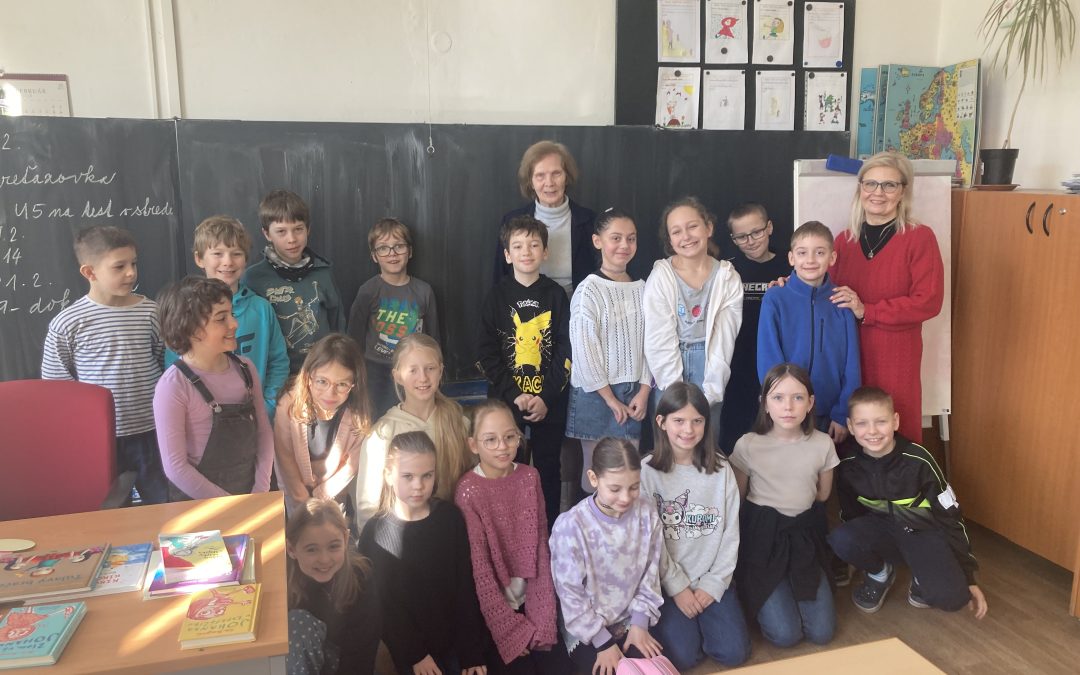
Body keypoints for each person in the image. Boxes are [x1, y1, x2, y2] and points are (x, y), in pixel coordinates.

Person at [828, 386, 988, 619]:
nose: (872, 431)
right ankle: (880, 573)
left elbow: (951, 517)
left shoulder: (919, 460)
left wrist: (968, 574)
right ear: (851, 427)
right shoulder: (848, 465)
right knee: (841, 538)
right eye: (862, 423)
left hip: (922, 532)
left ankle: (922, 574)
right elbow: (851, 516)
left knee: (954, 598)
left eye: (881, 422)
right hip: (882, 531)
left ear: (895, 421)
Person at [41, 225, 168, 504]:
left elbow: (165, 364)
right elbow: (58, 385)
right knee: (107, 507)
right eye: (119, 266)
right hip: (100, 437)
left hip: (151, 430)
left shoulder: (150, 312)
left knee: (161, 503)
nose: (131, 273)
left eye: (134, 263)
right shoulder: (69, 323)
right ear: (90, 272)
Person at [829, 151, 944, 443]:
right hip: (850, 356)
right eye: (871, 184)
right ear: (860, 188)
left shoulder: (919, 237)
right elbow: (823, 290)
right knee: (850, 434)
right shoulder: (844, 241)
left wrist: (868, 311)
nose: (878, 193)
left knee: (893, 432)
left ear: (903, 191)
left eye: (889, 185)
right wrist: (789, 285)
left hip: (895, 357)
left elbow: (928, 300)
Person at [357, 431, 488, 675]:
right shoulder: (374, 534)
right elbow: (383, 604)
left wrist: (471, 651)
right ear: (388, 475)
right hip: (411, 651)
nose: (418, 486)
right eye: (408, 476)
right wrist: (415, 654)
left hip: (455, 643)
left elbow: (465, 586)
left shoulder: (450, 518)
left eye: (427, 475)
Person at [455, 399, 570, 674]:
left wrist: (542, 617)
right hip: (496, 613)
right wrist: (510, 629)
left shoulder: (530, 477)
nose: (502, 447)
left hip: (534, 601)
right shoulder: (468, 491)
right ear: (473, 445)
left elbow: (541, 551)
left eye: (509, 437)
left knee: (560, 669)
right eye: (490, 440)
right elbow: (480, 572)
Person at [641, 382, 749, 670]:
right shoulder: (646, 473)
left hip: (712, 579)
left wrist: (713, 585)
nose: (688, 430)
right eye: (679, 421)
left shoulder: (721, 469)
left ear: (706, 423)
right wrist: (677, 588)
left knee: (734, 652)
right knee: (683, 657)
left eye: (697, 421)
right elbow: (650, 541)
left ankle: (709, 622)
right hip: (669, 584)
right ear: (661, 422)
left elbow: (730, 534)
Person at [730, 363, 837, 648]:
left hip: (803, 538)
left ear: (810, 403)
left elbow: (822, 495)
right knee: (785, 635)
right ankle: (768, 592)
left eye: (797, 397)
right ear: (765, 404)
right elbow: (738, 499)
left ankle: (792, 586)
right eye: (778, 398)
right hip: (763, 539)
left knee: (822, 633)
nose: (788, 407)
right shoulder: (748, 444)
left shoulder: (823, 444)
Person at [477, 215, 572, 529]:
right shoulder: (496, 297)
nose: (526, 252)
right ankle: (510, 531)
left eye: (533, 245)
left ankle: (549, 534)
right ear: (507, 255)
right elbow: (487, 354)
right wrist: (514, 394)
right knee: (507, 468)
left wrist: (545, 397)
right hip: (506, 406)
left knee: (548, 470)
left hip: (550, 404)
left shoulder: (557, 296)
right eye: (517, 246)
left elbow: (566, 350)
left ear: (545, 252)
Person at [549, 438, 664, 675]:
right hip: (587, 630)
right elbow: (570, 594)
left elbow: (651, 574)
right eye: (615, 489)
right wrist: (602, 642)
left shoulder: (647, 513)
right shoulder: (570, 527)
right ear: (593, 479)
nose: (625, 498)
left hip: (631, 619)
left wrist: (640, 623)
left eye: (634, 487)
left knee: (651, 669)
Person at [153, 276, 274, 500]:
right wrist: (228, 505)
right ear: (191, 329)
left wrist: (260, 490)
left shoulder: (246, 368)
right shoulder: (173, 386)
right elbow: (175, 467)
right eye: (221, 318)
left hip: (251, 494)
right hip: (199, 503)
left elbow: (264, 433)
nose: (234, 324)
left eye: (231, 314)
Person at [165, 215, 289, 418]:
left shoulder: (261, 309)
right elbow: (175, 366)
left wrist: (267, 406)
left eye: (236, 253)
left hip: (255, 417)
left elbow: (278, 362)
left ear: (246, 259)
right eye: (218, 253)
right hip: (203, 420)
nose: (228, 262)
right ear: (199, 259)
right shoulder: (186, 310)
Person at [644, 196, 743, 443]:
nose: (686, 236)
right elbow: (658, 339)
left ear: (708, 228)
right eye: (676, 231)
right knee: (670, 448)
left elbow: (725, 337)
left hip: (710, 367)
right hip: (669, 368)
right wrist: (674, 392)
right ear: (670, 240)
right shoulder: (661, 277)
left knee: (706, 446)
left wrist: (710, 392)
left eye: (692, 226)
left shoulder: (727, 277)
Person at [566, 208, 651, 494]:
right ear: (597, 241)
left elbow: (652, 343)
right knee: (596, 476)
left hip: (634, 393)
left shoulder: (643, 289)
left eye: (631, 238)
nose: (624, 245)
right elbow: (585, 351)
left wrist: (644, 390)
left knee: (628, 473)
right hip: (596, 394)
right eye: (616, 238)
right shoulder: (589, 290)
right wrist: (611, 400)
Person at [354, 333, 471, 531]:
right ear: (398, 375)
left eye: (430, 368)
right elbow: (368, 506)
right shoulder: (382, 435)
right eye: (413, 370)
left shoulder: (459, 424)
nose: (423, 377)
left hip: (451, 533)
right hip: (400, 536)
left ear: (441, 371)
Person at [758, 220, 860, 443]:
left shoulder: (842, 301)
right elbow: (768, 358)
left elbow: (851, 364)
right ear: (791, 258)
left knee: (826, 465)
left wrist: (842, 413)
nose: (811, 260)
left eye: (820, 252)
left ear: (832, 258)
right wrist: (780, 405)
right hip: (787, 412)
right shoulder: (775, 298)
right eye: (802, 253)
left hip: (829, 415)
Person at [243, 188, 346, 373]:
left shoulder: (323, 272)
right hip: (276, 374)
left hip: (321, 370)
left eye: (298, 229)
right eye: (281, 231)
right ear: (267, 234)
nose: (291, 239)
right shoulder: (253, 278)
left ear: (308, 229)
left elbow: (337, 323)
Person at [347, 217, 440, 419]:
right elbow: (354, 337)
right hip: (375, 372)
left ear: (410, 251)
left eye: (399, 246)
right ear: (374, 256)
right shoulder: (368, 291)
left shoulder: (424, 291)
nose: (392, 253)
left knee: (413, 421)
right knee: (377, 423)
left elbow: (433, 340)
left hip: (414, 372)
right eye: (383, 248)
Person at [275, 334, 371, 518]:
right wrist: (301, 497)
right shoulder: (288, 405)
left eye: (342, 384)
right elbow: (284, 455)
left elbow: (351, 465)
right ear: (308, 378)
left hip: (334, 492)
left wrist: (321, 496)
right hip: (293, 491)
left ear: (354, 384)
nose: (330, 393)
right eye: (322, 381)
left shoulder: (358, 416)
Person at [721, 202, 791, 455]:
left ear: (769, 227)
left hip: (777, 363)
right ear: (733, 239)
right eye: (742, 236)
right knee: (736, 436)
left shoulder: (791, 265)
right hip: (736, 365)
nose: (750, 241)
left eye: (756, 232)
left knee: (776, 434)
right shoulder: (726, 270)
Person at [286, 497, 380, 675]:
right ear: (291, 549)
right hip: (301, 664)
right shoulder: (286, 581)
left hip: (348, 664)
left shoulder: (361, 578)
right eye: (311, 549)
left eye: (333, 547)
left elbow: (364, 649)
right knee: (297, 622)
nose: (324, 559)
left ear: (345, 539)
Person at [496, 140, 596, 296]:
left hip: (577, 307)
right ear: (530, 182)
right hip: (527, 307)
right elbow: (500, 280)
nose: (549, 183)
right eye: (540, 175)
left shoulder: (591, 221)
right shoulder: (511, 221)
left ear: (567, 177)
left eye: (556, 174)